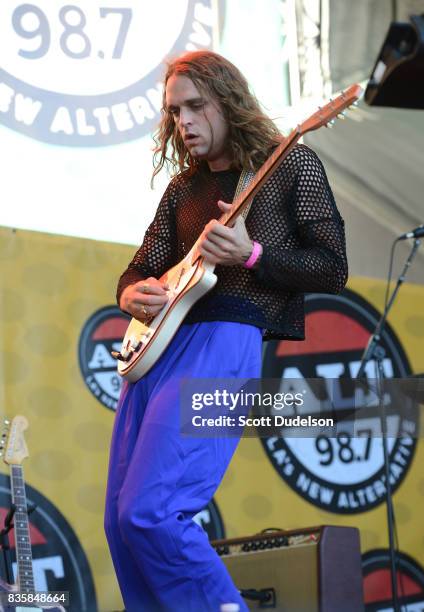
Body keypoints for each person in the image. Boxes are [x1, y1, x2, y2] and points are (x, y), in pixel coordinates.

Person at [104, 50, 348, 612]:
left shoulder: (290, 166)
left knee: (153, 510)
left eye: (195, 107)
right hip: (158, 351)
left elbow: (332, 266)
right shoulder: (183, 190)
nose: (183, 122)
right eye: (174, 112)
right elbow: (142, 265)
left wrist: (254, 253)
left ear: (228, 102)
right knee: (122, 522)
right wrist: (128, 293)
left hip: (226, 341)